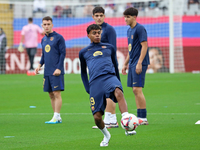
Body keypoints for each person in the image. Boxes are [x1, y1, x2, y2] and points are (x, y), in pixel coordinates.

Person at [79, 24, 133, 147]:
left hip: (110, 77)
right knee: (97, 117)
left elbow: (115, 64)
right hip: (95, 82)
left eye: (99, 32)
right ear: (88, 35)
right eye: (94, 33)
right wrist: (87, 87)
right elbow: (83, 71)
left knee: (118, 92)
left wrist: (118, 82)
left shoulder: (109, 48)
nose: (97, 35)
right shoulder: (83, 52)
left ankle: (126, 121)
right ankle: (106, 135)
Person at [35, 16, 66, 124]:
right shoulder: (43, 39)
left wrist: (59, 68)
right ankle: (57, 117)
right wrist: (39, 65)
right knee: (50, 94)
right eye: (45, 24)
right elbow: (44, 54)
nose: (46, 26)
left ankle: (56, 116)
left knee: (57, 93)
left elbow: (63, 54)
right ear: (42, 26)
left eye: (48, 24)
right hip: (47, 71)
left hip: (56, 71)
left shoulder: (59, 38)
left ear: (52, 25)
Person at [91, 6, 118, 129]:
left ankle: (110, 120)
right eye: (96, 15)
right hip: (97, 67)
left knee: (110, 92)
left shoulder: (109, 29)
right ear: (93, 17)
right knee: (103, 92)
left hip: (108, 65)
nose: (99, 17)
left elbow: (112, 49)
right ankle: (111, 119)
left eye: (101, 15)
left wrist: (112, 64)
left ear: (104, 16)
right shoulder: (93, 30)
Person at [122, 7, 149, 125]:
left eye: (128, 17)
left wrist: (139, 62)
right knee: (134, 90)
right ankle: (140, 116)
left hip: (139, 63)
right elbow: (131, 50)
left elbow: (145, 46)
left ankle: (143, 117)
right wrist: (125, 63)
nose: (125, 19)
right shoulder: (129, 30)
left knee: (137, 89)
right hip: (132, 63)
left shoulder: (140, 29)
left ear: (134, 17)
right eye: (125, 17)